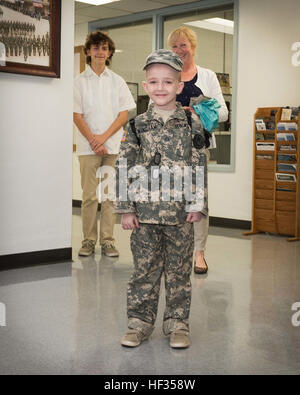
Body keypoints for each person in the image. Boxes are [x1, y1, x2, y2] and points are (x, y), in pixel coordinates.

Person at [115, 49, 208, 349]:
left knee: (179, 272)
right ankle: (139, 323)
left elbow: (199, 164)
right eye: (154, 81)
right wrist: (125, 209)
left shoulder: (191, 124)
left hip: (180, 215)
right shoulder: (136, 125)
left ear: (180, 86)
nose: (160, 88)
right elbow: (123, 166)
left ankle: (177, 324)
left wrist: (198, 204)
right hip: (144, 217)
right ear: (145, 86)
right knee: (144, 272)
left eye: (168, 82)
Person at [168, 26, 228, 274]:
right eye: (175, 46)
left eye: (183, 45)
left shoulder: (208, 76)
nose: (179, 50)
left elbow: (223, 113)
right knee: (172, 200)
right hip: (170, 148)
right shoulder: (167, 75)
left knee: (198, 201)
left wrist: (197, 111)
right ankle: (175, 250)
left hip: (198, 146)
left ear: (192, 47)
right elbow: (152, 108)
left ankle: (199, 253)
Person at [73, 31, 136, 257]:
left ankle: (108, 241)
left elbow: (124, 114)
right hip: (87, 149)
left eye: (105, 48)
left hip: (112, 148)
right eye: (96, 48)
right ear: (88, 51)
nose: (100, 52)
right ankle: (88, 241)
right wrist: (93, 139)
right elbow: (77, 116)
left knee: (109, 197)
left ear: (109, 53)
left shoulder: (117, 81)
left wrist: (103, 138)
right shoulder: (79, 82)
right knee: (90, 196)